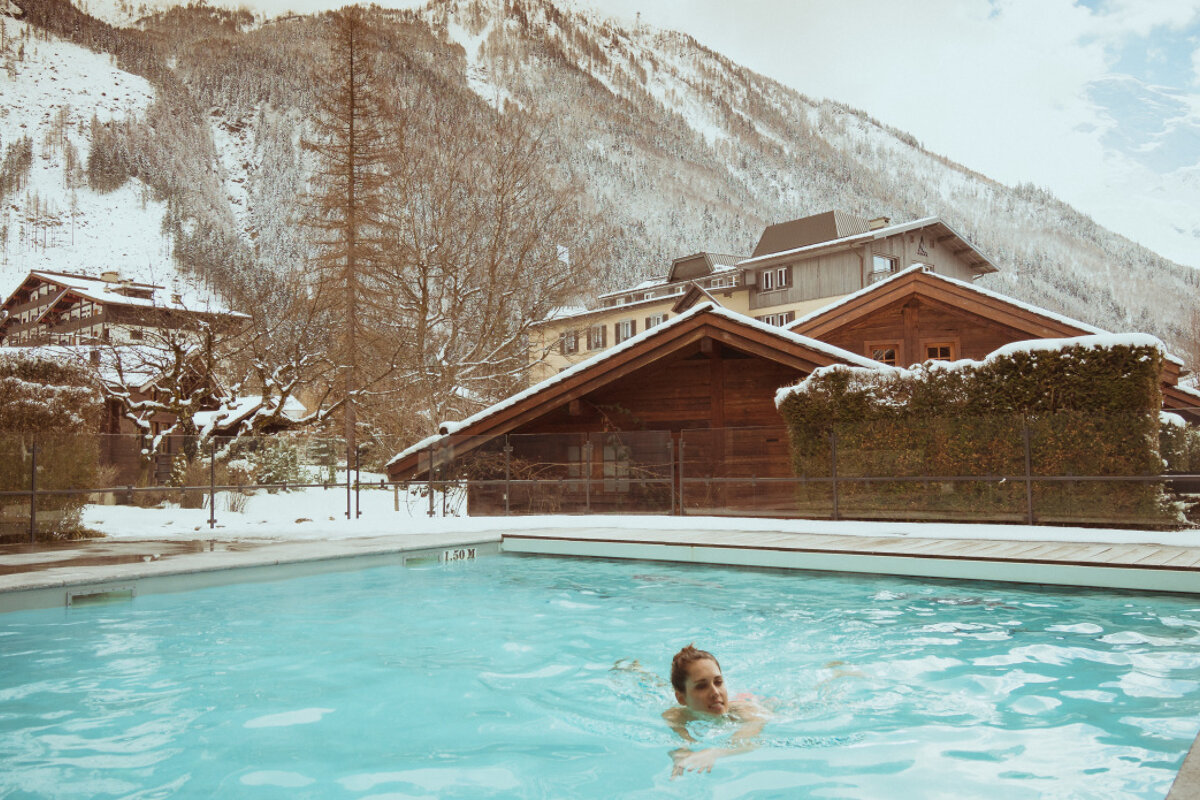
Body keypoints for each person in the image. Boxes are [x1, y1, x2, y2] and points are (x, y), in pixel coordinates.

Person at [662, 644, 766, 777]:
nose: (715, 692)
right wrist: (681, 754)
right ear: (681, 698)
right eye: (701, 686)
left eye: (718, 682)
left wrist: (714, 752)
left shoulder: (748, 710)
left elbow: (748, 737)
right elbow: (681, 741)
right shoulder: (675, 715)